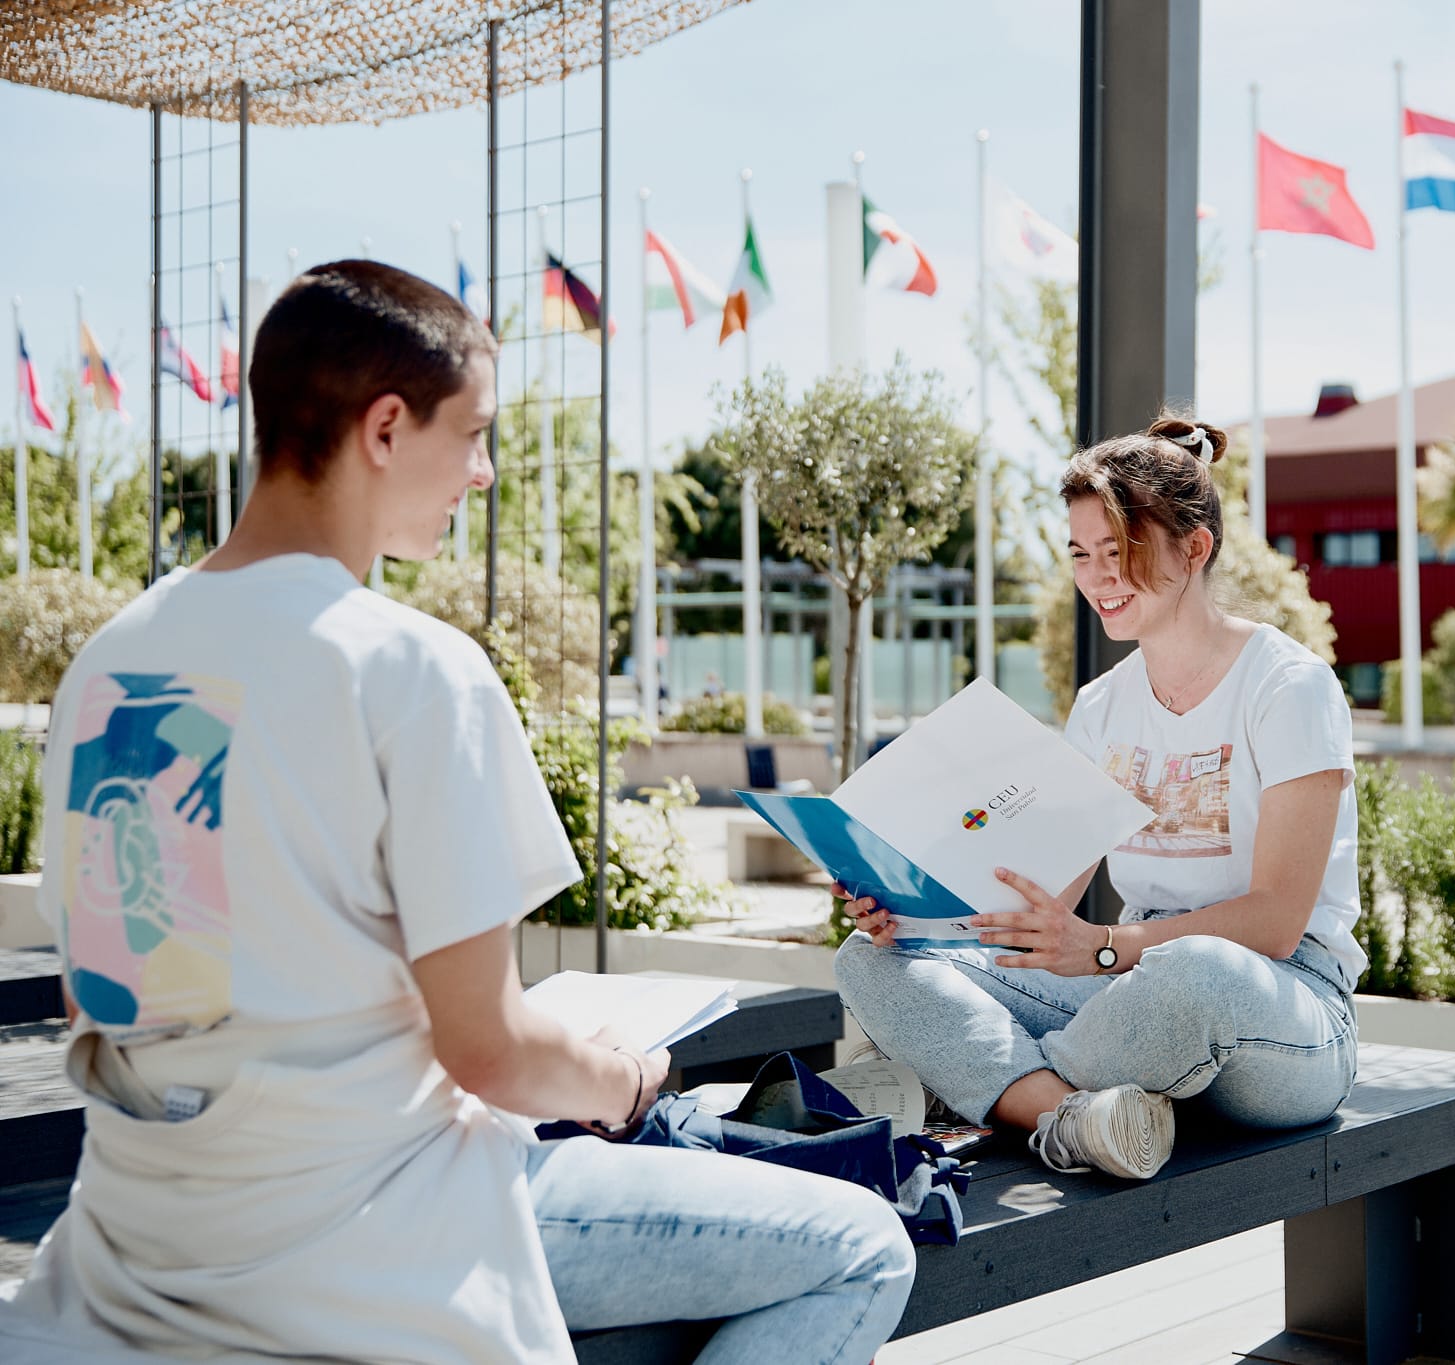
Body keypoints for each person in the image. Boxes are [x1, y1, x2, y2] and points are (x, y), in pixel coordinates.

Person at [0, 262, 911, 1365]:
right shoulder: (410, 669)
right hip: (366, 1235)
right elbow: (487, 1050)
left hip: (141, 1242)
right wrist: (624, 1078)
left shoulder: (114, 661)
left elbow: (113, 987)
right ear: (385, 428)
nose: (482, 473)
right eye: (474, 433)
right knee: (865, 1244)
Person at [833, 416, 1363, 1182]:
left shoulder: (1288, 687)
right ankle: (1075, 1116)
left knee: (1197, 973)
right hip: (1126, 992)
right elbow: (1040, 907)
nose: (1098, 576)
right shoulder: (1101, 706)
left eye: (1119, 552)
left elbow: (1278, 923)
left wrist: (1105, 948)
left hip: (1281, 1009)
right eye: (1082, 554)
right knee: (870, 962)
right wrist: (908, 916)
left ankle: (992, 1091)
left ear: (1195, 548)